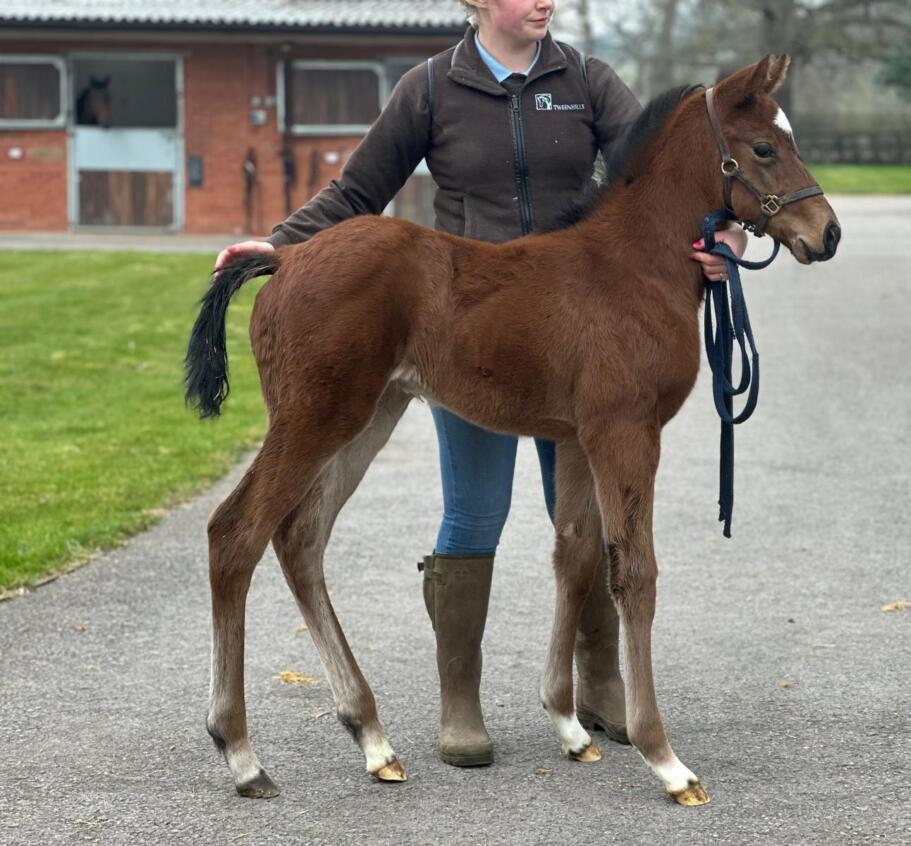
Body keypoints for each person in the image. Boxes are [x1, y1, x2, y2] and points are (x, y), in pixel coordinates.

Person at [212, 0, 748, 768]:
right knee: (475, 513)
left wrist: (717, 231)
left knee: (590, 515)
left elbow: (659, 172)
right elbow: (360, 191)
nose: (544, 1)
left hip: (579, 321)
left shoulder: (586, 79)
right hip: (474, 324)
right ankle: (459, 698)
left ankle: (599, 682)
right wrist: (281, 245)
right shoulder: (432, 87)